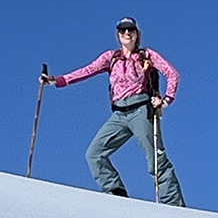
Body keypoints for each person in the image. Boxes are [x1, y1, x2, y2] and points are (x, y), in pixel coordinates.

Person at [42, 17, 185, 206]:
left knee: (156, 159)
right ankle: (115, 194)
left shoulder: (146, 55)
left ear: (136, 34)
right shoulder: (111, 57)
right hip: (118, 114)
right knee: (94, 153)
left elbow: (172, 73)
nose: (127, 33)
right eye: (123, 31)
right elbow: (87, 70)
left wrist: (165, 100)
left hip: (141, 110)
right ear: (118, 35)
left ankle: (173, 205)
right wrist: (57, 80)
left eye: (131, 30)